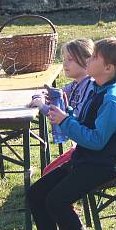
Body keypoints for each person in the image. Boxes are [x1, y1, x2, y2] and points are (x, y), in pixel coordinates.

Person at [27, 37, 116, 230]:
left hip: (102, 165)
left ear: (109, 68)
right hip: (84, 159)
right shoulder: (97, 87)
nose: (89, 59)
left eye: (95, 57)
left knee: (56, 200)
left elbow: (96, 140)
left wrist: (66, 121)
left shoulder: (113, 99)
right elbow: (83, 119)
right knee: (36, 193)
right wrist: (66, 115)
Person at [29, 38, 96, 174]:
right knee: (48, 172)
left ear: (87, 60)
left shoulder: (90, 87)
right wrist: (46, 97)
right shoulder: (77, 84)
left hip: (89, 149)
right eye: (64, 59)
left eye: (70, 59)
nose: (65, 63)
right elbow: (60, 93)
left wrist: (42, 106)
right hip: (82, 145)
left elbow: (69, 118)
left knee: (47, 173)